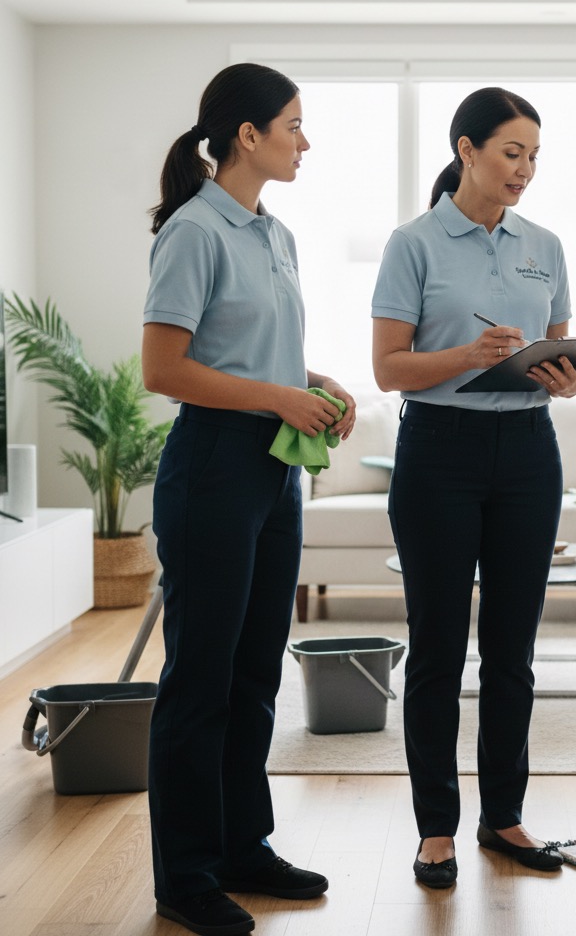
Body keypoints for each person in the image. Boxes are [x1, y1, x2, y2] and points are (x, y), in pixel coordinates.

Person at [142, 62, 356, 936]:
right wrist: (278, 397)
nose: (305, 141)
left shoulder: (276, 234)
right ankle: (185, 875)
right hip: (213, 469)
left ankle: (242, 845)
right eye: (294, 125)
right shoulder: (195, 231)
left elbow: (248, 352)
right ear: (247, 135)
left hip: (272, 470)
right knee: (201, 678)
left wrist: (312, 382)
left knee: (256, 671)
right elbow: (165, 370)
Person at [372, 87, 576, 889]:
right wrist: (467, 355)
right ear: (467, 149)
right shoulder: (414, 243)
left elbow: (560, 349)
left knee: (513, 651)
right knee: (436, 649)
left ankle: (504, 816)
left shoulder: (546, 244)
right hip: (438, 450)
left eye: (534, 156)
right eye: (511, 153)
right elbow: (389, 368)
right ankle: (437, 828)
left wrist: (563, 377)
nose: (525, 170)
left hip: (530, 449)